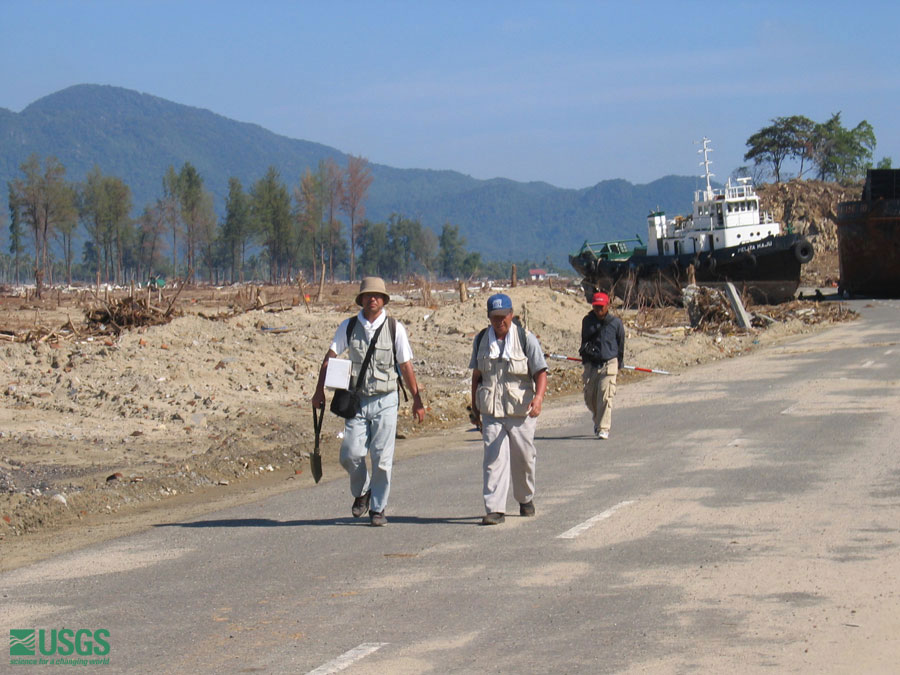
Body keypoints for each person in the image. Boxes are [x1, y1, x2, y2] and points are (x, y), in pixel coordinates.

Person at [312, 277, 425, 526]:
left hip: (386, 400)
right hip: (357, 401)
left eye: (377, 295)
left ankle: (378, 509)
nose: (372, 299)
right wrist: (318, 392)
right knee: (350, 454)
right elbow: (329, 358)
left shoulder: (395, 328)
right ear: (361, 299)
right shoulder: (349, 326)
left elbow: (406, 366)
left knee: (382, 459)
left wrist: (417, 399)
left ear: (384, 300)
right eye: (367, 295)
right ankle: (362, 490)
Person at [470, 293, 548, 525]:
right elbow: (476, 376)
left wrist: (539, 398)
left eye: (503, 316)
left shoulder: (525, 338)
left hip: (520, 411)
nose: (499, 321)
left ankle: (525, 498)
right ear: (489, 317)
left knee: (524, 458)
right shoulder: (481, 340)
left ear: (511, 315)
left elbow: (540, 372)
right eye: (495, 317)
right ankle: (495, 509)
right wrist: (475, 409)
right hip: (491, 412)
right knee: (494, 459)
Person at [580, 291, 625, 440]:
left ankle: (603, 428)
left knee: (605, 396)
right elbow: (584, 341)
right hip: (592, 365)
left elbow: (621, 343)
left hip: (609, 363)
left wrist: (619, 362)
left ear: (608, 306)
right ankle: (598, 419)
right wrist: (585, 359)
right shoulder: (587, 321)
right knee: (590, 397)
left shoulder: (615, 323)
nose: (599, 310)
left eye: (601, 307)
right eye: (596, 307)